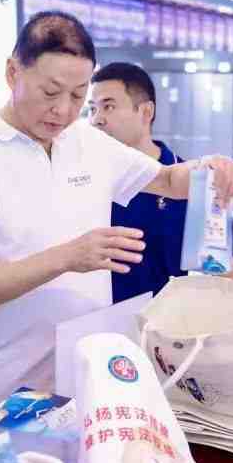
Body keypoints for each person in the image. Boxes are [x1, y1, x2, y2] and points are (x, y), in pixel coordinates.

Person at [0, 12, 233, 458]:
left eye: (79, 96)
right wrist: (67, 257)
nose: (63, 110)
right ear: (12, 73)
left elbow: (169, 181)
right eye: (50, 92)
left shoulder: (87, 143)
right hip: (9, 398)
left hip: (88, 384)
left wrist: (211, 167)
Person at [88, 62, 187, 303]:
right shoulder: (86, 179)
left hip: (173, 326)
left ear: (146, 112)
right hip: (103, 327)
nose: (96, 120)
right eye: (92, 109)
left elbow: (220, 266)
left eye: (108, 107)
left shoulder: (186, 181)